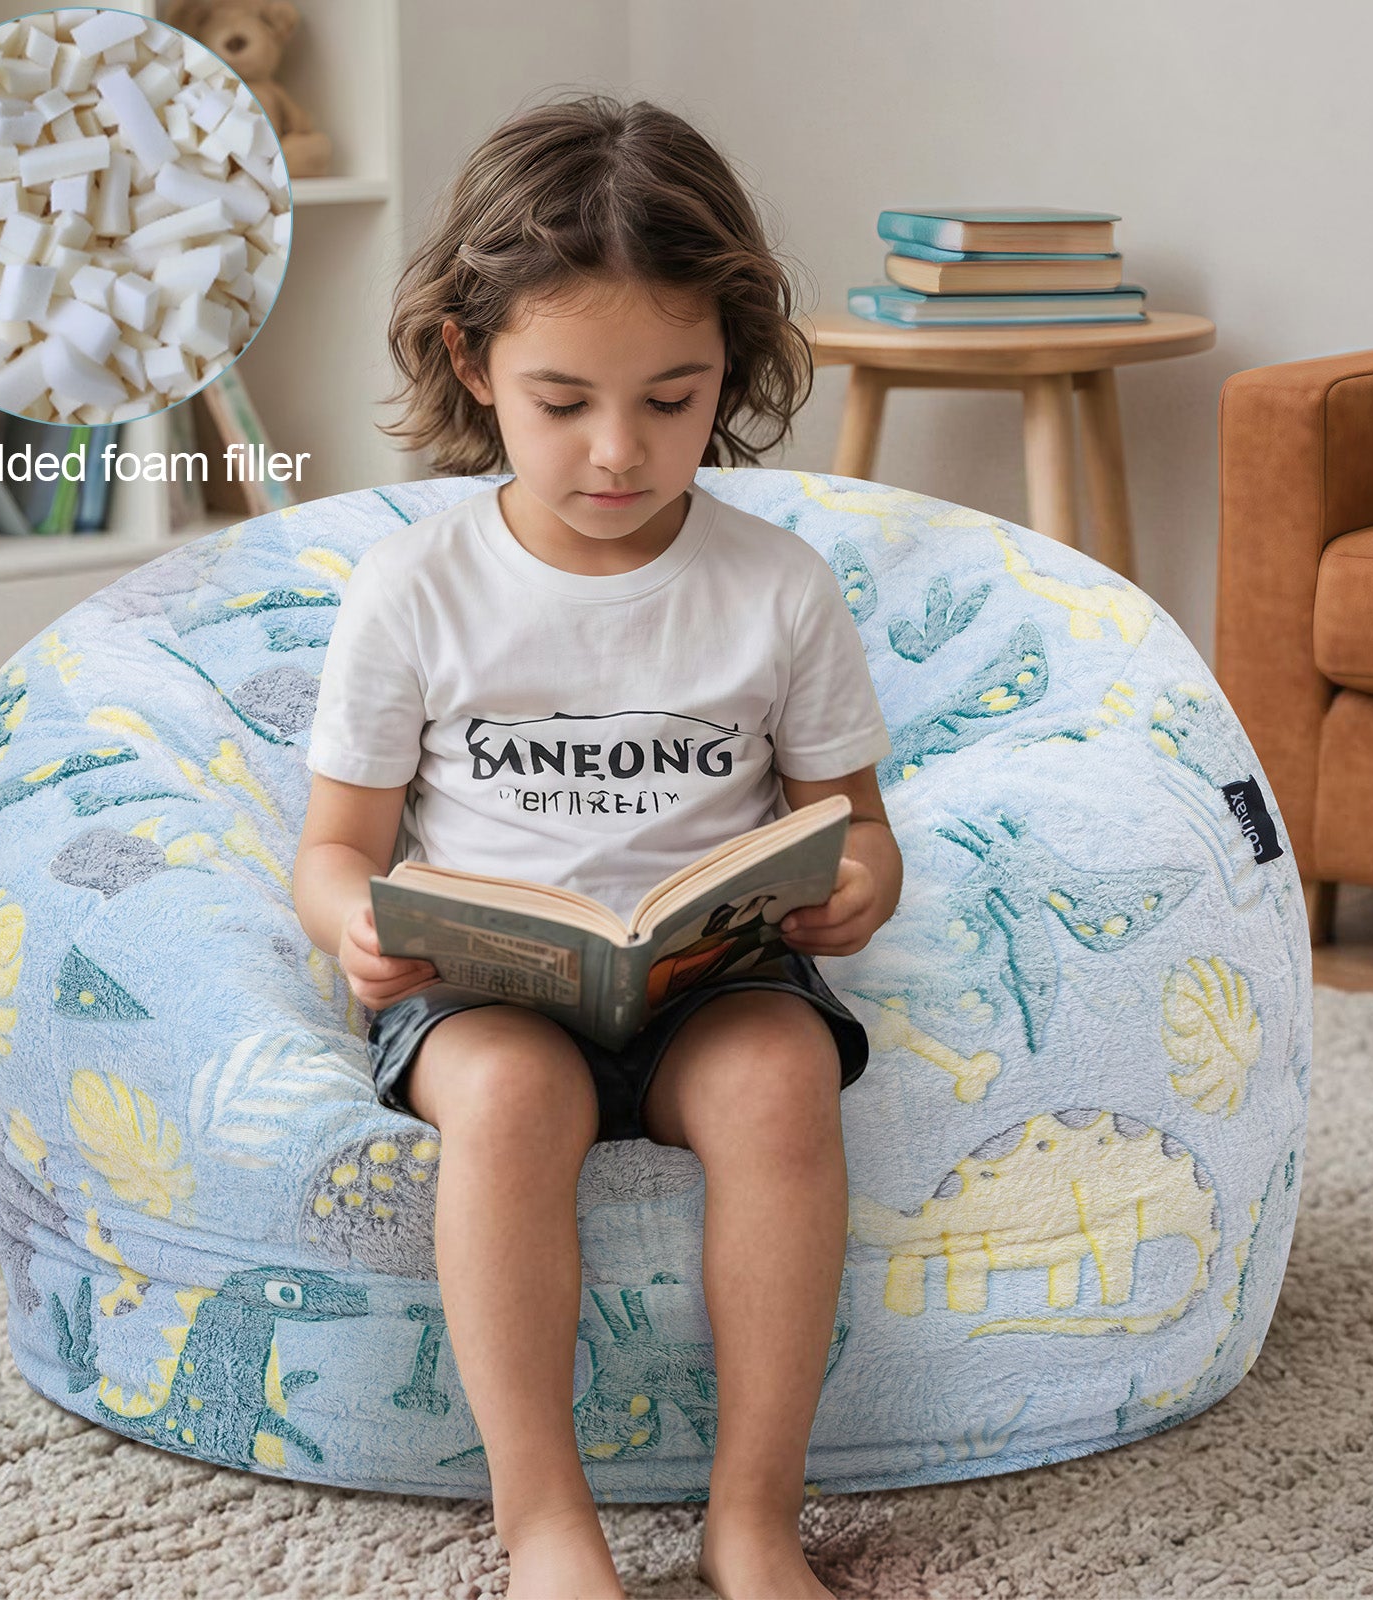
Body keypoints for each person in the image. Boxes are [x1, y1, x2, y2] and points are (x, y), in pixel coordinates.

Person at [292, 92, 902, 1600]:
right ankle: (543, 1517)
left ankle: (753, 1517)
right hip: (490, 988)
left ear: (732, 373)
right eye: (564, 402)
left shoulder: (777, 588)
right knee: (506, 1094)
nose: (620, 452)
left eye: (674, 399)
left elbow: (860, 826)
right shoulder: (414, 591)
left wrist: (863, 888)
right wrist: (353, 928)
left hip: (713, 976)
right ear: (472, 362)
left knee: (776, 1082)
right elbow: (332, 848)